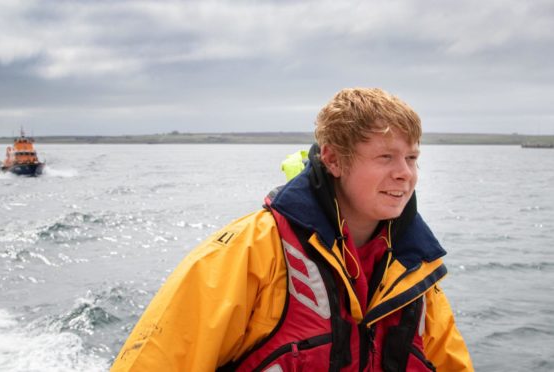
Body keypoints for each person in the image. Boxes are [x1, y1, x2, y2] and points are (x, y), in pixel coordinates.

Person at [111, 88, 473, 371]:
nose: (405, 173)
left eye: (412, 158)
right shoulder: (251, 252)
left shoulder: (414, 274)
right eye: (385, 157)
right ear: (333, 159)